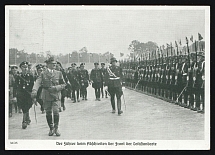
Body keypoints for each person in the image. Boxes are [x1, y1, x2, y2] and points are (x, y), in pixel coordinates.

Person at [31, 57, 66, 136]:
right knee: (48, 112)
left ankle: (56, 128)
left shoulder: (59, 73)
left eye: (55, 63)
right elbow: (37, 82)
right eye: (52, 63)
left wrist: (56, 88)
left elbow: (64, 84)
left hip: (56, 95)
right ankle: (51, 128)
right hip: (46, 95)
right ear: (47, 64)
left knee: (56, 111)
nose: (54, 65)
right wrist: (34, 90)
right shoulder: (43, 73)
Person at [15, 61, 34, 129]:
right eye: (24, 67)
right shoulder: (18, 76)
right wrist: (15, 95)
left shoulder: (30, 76)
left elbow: (32, 86)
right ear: (21, 68)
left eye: (26, 67)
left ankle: (27, 118)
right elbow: (15, 86)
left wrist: (33, 94)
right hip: (21, 95)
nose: (25, 69)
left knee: (28, 106)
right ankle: (24, 121)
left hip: (28, 94)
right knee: (24, 107)